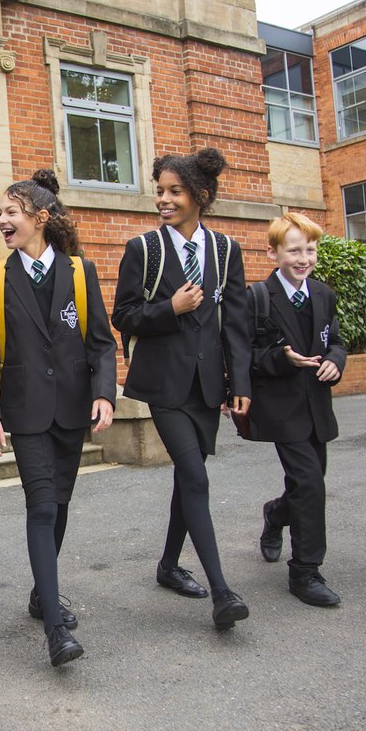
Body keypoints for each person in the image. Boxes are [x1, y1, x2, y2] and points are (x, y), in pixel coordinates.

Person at [0, 169, 117, 667]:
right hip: (26, 412)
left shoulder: (80, 272)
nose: (2, 220)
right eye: (1, 213)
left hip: (73, 409)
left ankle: (41, 594)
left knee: (60, 503)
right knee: (41, 507)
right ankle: (55, 628)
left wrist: (105, 395)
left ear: (40, 217)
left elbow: (100, 342)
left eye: (11, 212)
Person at [111, 147, 253, 630]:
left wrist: (240, 382)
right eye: (160, 191)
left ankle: (169, 565)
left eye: (174, 191)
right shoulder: (143, 250)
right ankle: (222, 592)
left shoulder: (226, 250)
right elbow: (123, 315)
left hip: (209, 386)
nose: (163, 200)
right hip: (164, 385)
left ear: (200, 196)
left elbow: (236, 322)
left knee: (186, 480)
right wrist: (169, 307)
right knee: (195, 477)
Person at [245, 212, 345, 607]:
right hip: (281, 408)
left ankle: (275, 513)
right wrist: (280, 358)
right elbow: (247, 355)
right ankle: (305, 571)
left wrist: (337, 360)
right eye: (294, 250)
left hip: (316, 405)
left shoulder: (323, 294)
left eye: (310, 249)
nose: (304, 258)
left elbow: (334, 339)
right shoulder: (259, 297)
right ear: (274, 253)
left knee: (308, 483)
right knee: (310, 483)